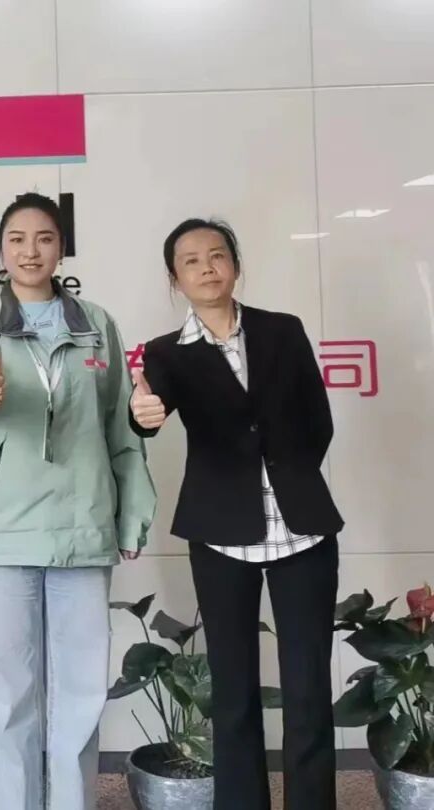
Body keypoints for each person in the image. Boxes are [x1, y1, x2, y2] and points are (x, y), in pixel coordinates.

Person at [0, 192, 156, 810]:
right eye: (17, 239)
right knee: (9, 695)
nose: (30, 251)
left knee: (81, 694)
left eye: (43, 238)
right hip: (3, 533)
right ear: (1, 251)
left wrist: (132, 515)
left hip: (82, 527)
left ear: (61, 248)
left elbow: (121, 429)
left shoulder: (96, 325)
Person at [129, 218, 343, 810]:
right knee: (233, 692)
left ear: (235, 264)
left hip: (302, 530)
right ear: (175, 278)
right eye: (191, 260)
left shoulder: (282, 330)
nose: (206, 266)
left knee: (308, 689)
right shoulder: (166, 352)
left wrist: (289, 476)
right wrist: (141, 413)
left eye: (217, 254)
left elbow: (318, 420)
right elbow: (147, 410)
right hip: (221, 535)